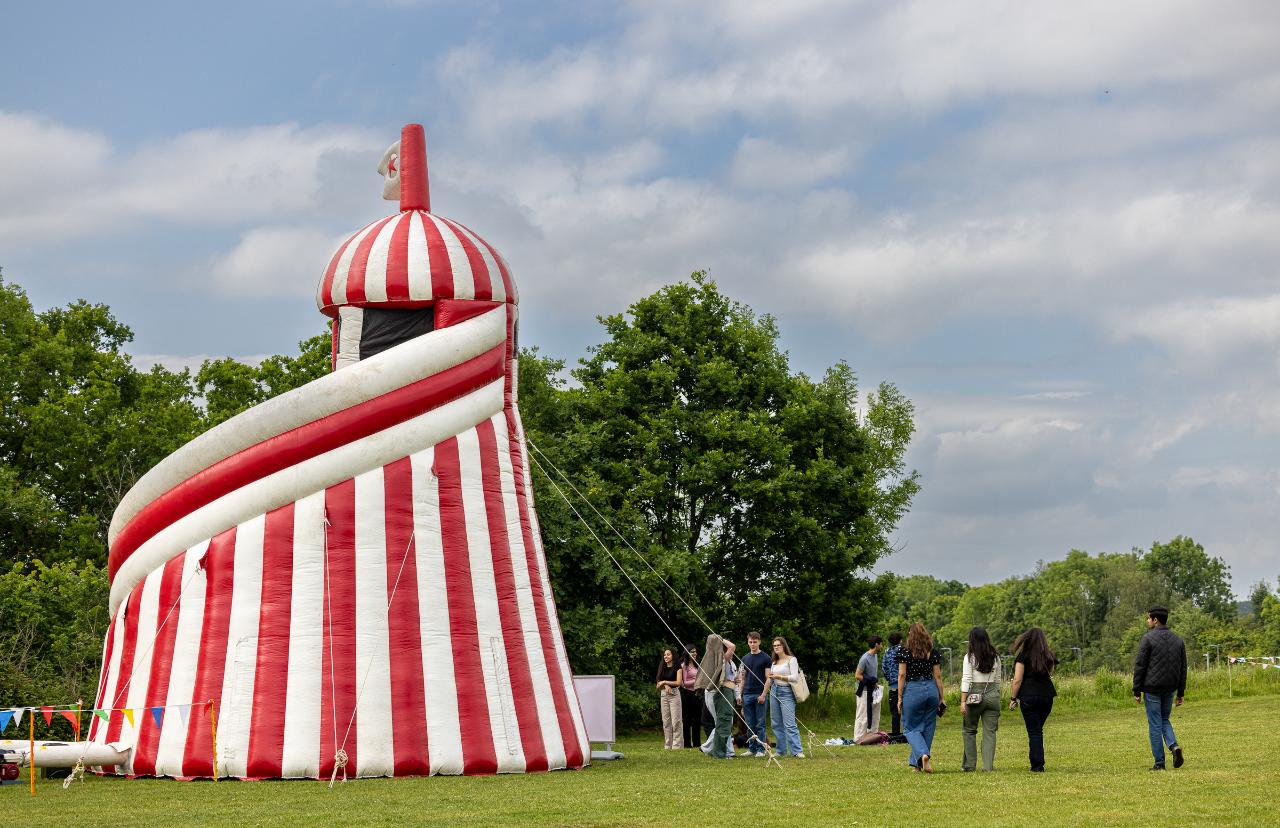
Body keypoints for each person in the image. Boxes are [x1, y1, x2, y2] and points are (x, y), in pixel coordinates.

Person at [1132, 606, 1188, 770]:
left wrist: (1136, 690)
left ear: (1155, 620)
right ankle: (1174, 746)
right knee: (1164, 719)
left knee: (1155, 723)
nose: (1147, 620)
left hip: (1152, 688)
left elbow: (1140, 666)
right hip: (1170, 687)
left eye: (1148, 618)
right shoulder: (1178, 640)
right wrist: (1181, 692)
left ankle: (1159, 763)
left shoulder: (1148, 639)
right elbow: (1183, 668)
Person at [896, 622, 944, 773]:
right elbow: (937, 676)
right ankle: (917, 764)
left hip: (913, 689)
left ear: (910, 635)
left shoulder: (905, 652)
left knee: (910, 728)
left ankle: (923, 754)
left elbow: (902, 675)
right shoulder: (932, 652)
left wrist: (899, 697)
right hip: (931, 689)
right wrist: (941, 697)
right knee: (928, 727)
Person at [1009, 627, 1056, 772]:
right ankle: (1037, 762)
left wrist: (1013, 698)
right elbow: (1050, 671)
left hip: (1029, 696)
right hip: (1047, 696)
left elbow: (1017, 680)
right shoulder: (1048, 656)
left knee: (1034, 732)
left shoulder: (1022, 656)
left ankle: (1037, 765)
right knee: (1038, 730)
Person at [960, 626, 1002, 772]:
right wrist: (997, 696)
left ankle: (969, 765)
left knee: (969, 730)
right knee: (989, 732)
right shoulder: (995, 656)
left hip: (974, 695)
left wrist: (963, 701)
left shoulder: (969, 657)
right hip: (993, 694)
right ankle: (988, 767)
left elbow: (966, 679)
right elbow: (997, 680)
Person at [693, 633, 736, 758]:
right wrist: (719, 639)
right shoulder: (718, 658)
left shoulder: (725, 659)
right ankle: (721, 750)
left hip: (726, 690)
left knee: (724, 722)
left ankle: (714, 748)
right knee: (722, 722)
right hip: (716, 693)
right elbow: (732, 646)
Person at [762, 636, 804, 757]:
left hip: (787, 692)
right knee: (776, 723)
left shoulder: (792, 660)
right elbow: (769, 679)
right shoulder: (774, 662)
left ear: (784, 646)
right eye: (774, 646)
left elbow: (794, 678)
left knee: (789, 724)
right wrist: (764, 694)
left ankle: (797, 751)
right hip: (774, 691)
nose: (776, 647)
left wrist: (778, 677)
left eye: (778, 645)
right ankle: (781, 751)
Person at [739, 631, 773, 756]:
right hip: (747, 694)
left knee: (760, 723)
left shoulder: (766, 658)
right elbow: (742, 678)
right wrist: (739, 694)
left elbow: (768, 678)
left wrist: (764, 694)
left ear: (759, 642)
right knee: (749, 723)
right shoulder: (745, 658)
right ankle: (752, 748)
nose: (752, 644)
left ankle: (761, 749)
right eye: (750, 642)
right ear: (748, 642)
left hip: (759, 694)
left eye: (755, 642)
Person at [854, 635, 883, 742]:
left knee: (875, 714)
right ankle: (858, 739)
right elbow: (857, 675)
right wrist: (869, 679)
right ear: (876, 644)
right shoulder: (864, 658)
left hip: (873, 690)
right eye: (881, 644)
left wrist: (875, 682)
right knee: (862, 716)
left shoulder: (875, 656)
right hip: (864, 691)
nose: (882, 646)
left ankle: (872, 737)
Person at [655, 648, 684, 749]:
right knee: (666, 721)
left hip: (674, 695)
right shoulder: (662, 667)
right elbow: (658, 685)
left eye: (668, 655)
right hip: (664, 695)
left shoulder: (678, 668)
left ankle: (677, 746)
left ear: (673, 656)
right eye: (664, 655)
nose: (666, 657)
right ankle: (668, 745)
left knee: (676, 721)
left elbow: (678, 683)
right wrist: (665, 685)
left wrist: (665, 682)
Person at [679, 644, 702, 748]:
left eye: (695, 652)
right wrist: (697, 680)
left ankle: (697, 743)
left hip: (697, 694)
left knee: (697, 719)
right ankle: (687, 744)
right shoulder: (684, 665)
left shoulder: (697, 665)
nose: (695, 654)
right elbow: (683, 683)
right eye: (692, 652)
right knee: (687, 719)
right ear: (687, 653)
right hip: (686, 694)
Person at [882, 631, 905, 739]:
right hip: (904, 684)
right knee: (906, 709)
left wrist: (890, 678)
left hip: (892, 685)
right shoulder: (903, 650)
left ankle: (895, 733)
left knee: (895, 711)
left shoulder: (887, 651)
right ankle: (907, 732)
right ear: (900, 640)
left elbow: (884, 668)